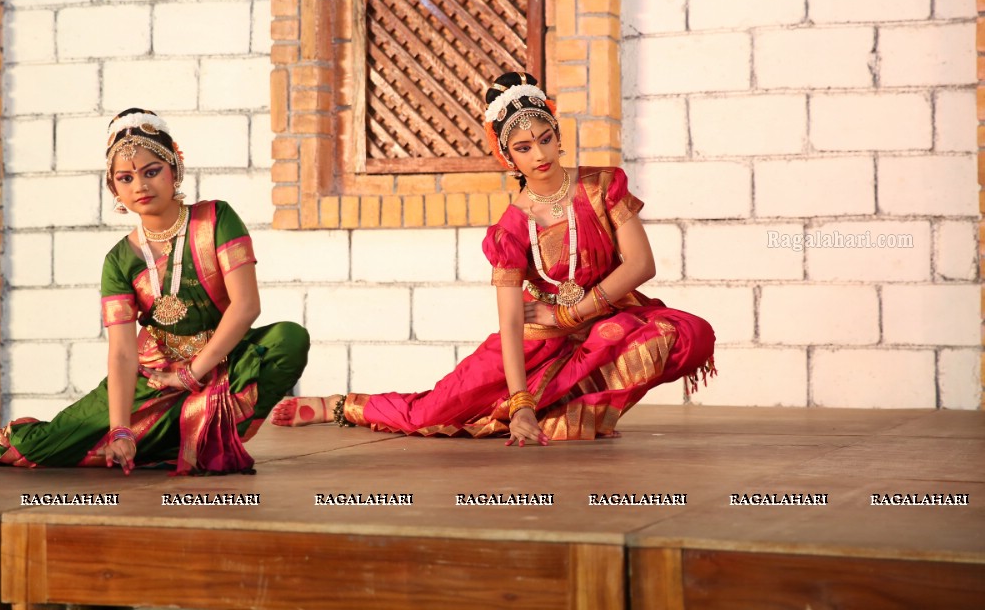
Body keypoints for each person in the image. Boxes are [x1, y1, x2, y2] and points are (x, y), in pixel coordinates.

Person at [272, 72, 715, 445]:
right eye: (523, 147)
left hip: (606, 322)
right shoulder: (511, 227)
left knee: (688, 333)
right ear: (507, 155)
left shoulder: (602, 185)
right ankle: (339, 406)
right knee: (432, 411)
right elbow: (512, 324)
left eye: (545, 139)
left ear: (558, 136)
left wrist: (572, 313)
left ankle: (578, 412)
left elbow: (641, 265)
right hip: (538, 338)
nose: (539, 154)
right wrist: (521, 404)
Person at [0, 108, 310, 474]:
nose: (140, 186)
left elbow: (247, 306)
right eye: (126, 178)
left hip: (221, 365)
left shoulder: (216, 219)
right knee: (43, 447)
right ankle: (167, 444)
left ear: (175, 170)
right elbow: (123, 353)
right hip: (151, 379)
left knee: (289, 339)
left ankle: (200, 441)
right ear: (114, 189)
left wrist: (190, 374)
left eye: (152, 171)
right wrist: (120, 430)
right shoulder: (120, 261)